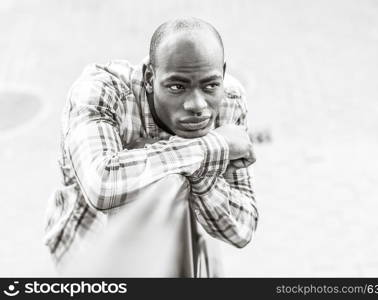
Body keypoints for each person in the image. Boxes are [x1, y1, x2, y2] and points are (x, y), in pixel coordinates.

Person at [44, 17, 258, 277]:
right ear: (149, 77)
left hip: (186, 249)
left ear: (223, 74)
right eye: (177, 87)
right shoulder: (101, 93)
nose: (197, 105)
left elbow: (243, 228)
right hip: (95, 252)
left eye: (210, 85)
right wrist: (213, 146)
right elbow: (101, 184)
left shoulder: (230, 99)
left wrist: (199, 174)